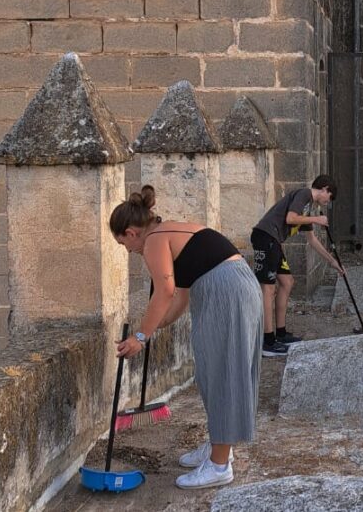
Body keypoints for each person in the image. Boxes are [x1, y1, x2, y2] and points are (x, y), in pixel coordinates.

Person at [112, 186, 262, 490]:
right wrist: (155, 327)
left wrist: (141, 336)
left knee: (222, 373)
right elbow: (178, 297)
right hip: (234, 286)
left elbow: (165, 291)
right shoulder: (170, 231)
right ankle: (218, 447)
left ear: (131, 232)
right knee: (215, 372)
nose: (130, 252)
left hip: (226, 292)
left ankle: (220, 465)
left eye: (125, 245)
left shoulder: (153, 241)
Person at [251, 174, 344, 357]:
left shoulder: (308, 208)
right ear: (324, 189)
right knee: (268, 289)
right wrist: (316, 220)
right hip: (265, 237)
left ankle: (281, 333)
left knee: (287, 282)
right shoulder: (304, 194)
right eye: (330, 197)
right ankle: (267, 343)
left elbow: (312, 241)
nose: (328, 202)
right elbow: (290, 219)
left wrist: (332, 262)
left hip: (274, 241)